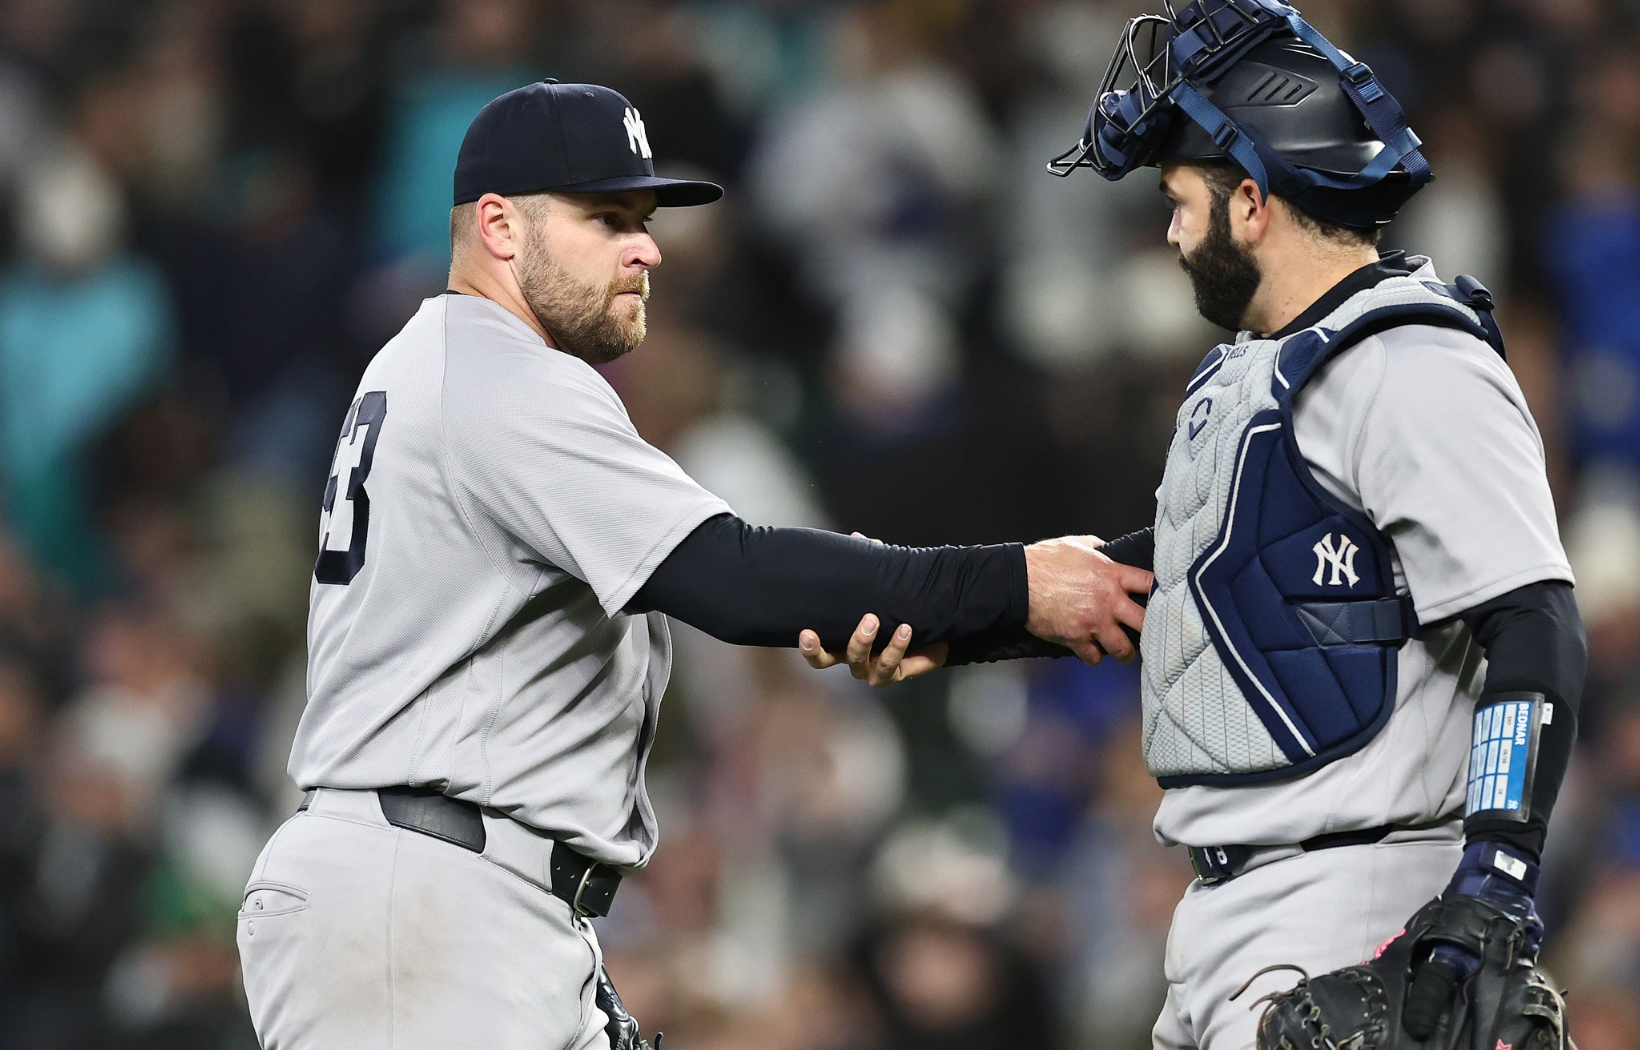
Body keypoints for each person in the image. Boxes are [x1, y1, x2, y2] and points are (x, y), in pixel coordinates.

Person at [233, 79, 1152, 1050]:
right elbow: (738, 579)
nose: (648, 249)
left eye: (644, 219)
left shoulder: (442, 364)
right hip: (425, 901)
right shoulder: (496, 373)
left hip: (467, 898)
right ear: (499, 227)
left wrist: (990, 616)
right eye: (607, 219)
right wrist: (1017, 586)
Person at [804, 0, 1587, 1050]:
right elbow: (1190, 578)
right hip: (1229, 907)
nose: (1171, 236)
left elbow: (1531, 622)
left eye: (1181, 200)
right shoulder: (1249, 376)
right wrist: (946, 621)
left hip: (1354, 890)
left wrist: (1495, 873)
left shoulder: (1414, 359)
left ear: (1254, 201)